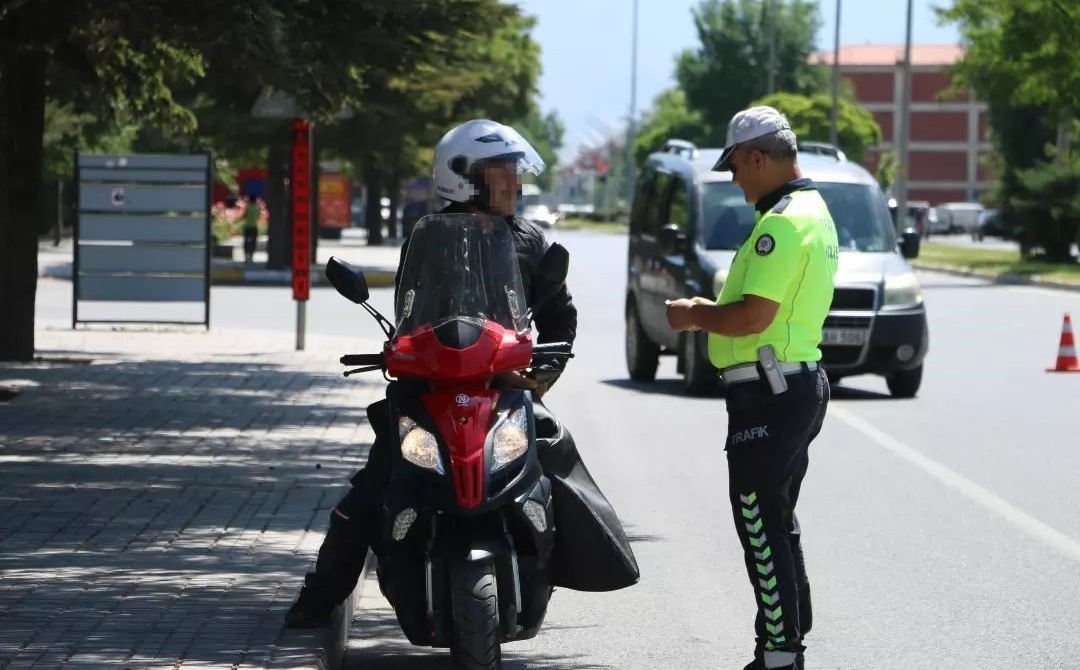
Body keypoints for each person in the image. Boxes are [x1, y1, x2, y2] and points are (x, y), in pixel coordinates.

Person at [285, 119, 638, 628]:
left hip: (503, 391)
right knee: (369, 492)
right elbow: (408, 314)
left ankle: (570, 561)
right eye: (502, 171)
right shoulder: (427, 238)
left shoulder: (529, 240)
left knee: (558, 457)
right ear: (464, 177)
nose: (515, 181)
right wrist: (402, 353)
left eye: (515, 170)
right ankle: (320, 597)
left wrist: (544, 373)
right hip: (429, 391)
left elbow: (560, 316)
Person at [665, 106, 838, 670]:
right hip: (790, 385)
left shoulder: (782, 223)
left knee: (760, 522)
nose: (735, 179)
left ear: (757, 157)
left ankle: (781, 654)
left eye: (736, 167)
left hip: (772, 391)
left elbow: (752, 317)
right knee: (775, 518)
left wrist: (694, 314)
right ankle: (785, 641)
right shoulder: (813, 212)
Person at [242, 194, 260, 264]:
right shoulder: (257, 207)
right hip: (254, 227)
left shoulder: (247, 206)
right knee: (254, 242)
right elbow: (258, 216)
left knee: (246, 242)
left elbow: (245, 215)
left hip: (247, 226)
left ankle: (246, 257)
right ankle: (251, 257)